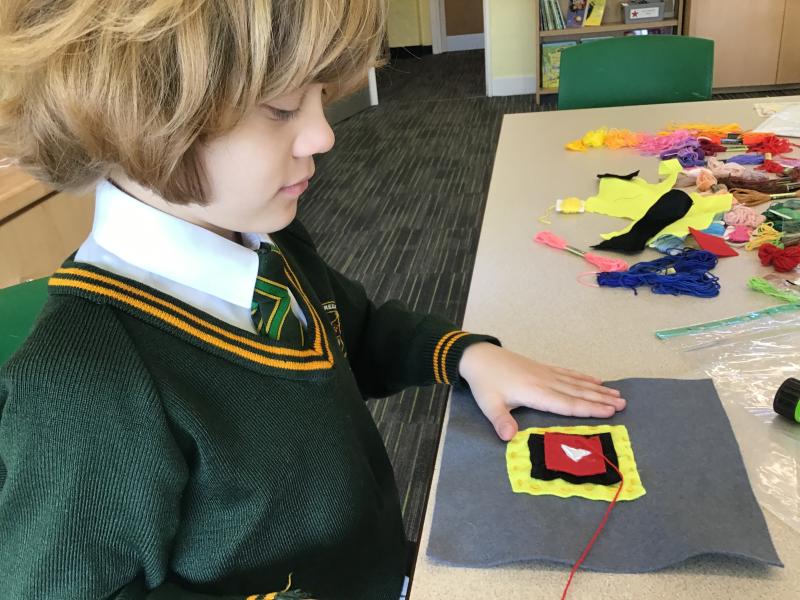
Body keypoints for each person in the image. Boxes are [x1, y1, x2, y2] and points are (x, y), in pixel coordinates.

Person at [0, 1, 625, 598]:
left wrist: (465, 354)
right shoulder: (82, 385)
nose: (323, 136)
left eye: (321, 98)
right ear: (138, 113)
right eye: (281, 108)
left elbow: (358, 332)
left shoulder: (269, 241)